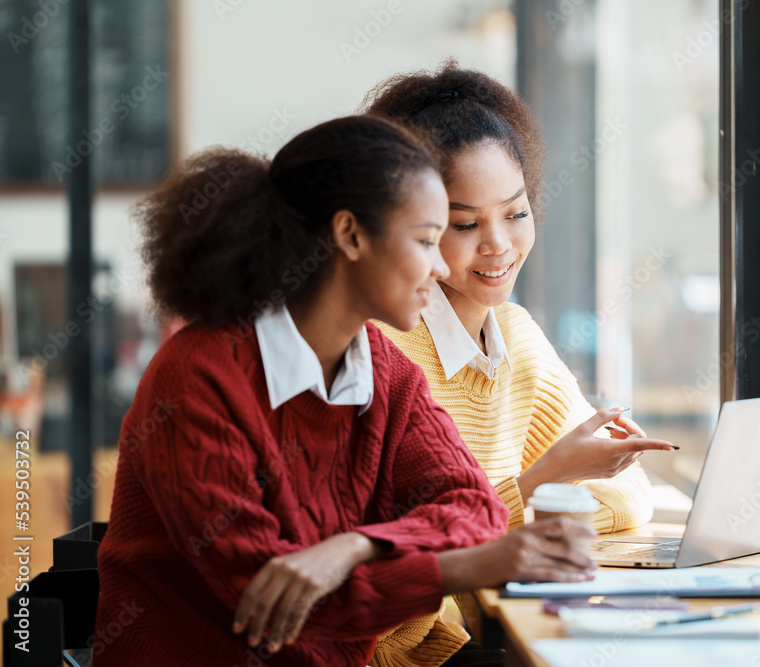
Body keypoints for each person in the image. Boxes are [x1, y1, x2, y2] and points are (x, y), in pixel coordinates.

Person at [95, 115, 596, 667]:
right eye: (428, 239)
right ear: (351, 235)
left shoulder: (385, 371)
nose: (439, 265)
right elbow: (276, 601)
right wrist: (474, 565)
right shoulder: (198, 375)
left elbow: (475, 508)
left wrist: (355, 546)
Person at [361, 63, 678, 667]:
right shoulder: (386, 348)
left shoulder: (515, 335)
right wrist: (543, 484)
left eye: (516, 211)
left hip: (487, 636)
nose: (499, 244)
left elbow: (631, 499)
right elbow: (396, 562)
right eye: (465, 224)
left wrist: (541, 493)